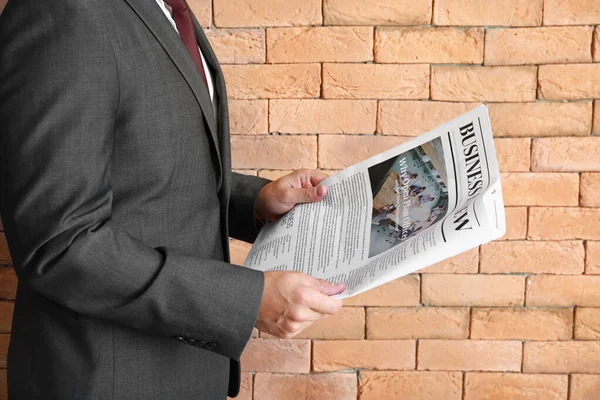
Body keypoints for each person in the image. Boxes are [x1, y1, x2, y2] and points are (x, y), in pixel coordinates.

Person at [0, 0, 345, 398]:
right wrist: (243, 300)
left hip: (185, 370)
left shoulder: (163, 7)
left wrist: (255, 202)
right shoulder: (63, 11)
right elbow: (60, 241)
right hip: (108, 378)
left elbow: (144, 168)